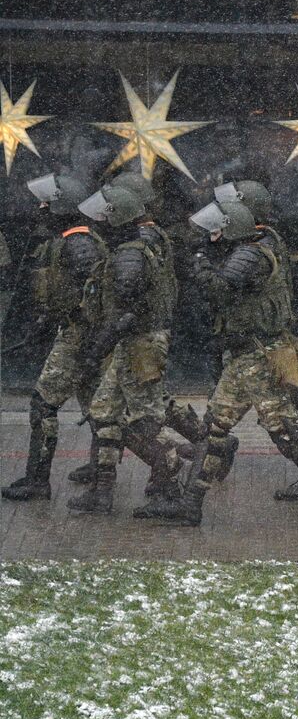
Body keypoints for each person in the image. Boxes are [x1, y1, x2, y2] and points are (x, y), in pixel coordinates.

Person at [143, 197, 298, 528]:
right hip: (247, 357)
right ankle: (190, 504)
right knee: (214, 429)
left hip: (259, 358)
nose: (212, 236)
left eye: (216, 231)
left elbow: (221, 289)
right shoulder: (252, 248)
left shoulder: (249, 255)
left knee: (285, 433)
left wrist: (198, 261)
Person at [68, 185, 185, 515]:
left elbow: (126, 312)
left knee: (145, 423)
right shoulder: (132, 249)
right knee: (104, 412)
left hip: (139, 346)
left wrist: (96, 350)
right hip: (131, 344)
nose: (97, 222)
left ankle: (170, 492)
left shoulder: (130, 256)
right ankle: (102, 490)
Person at [2, 173, 106, 502]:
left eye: (47, 202)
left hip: (80, 337)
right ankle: (103, 469)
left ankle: (37, 480)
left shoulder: (78, 244)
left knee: (43, 405)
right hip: (83, 335)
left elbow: (95, 294)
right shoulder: (71, 240)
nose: (41, 207)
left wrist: (85, 335)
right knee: (99, 410)